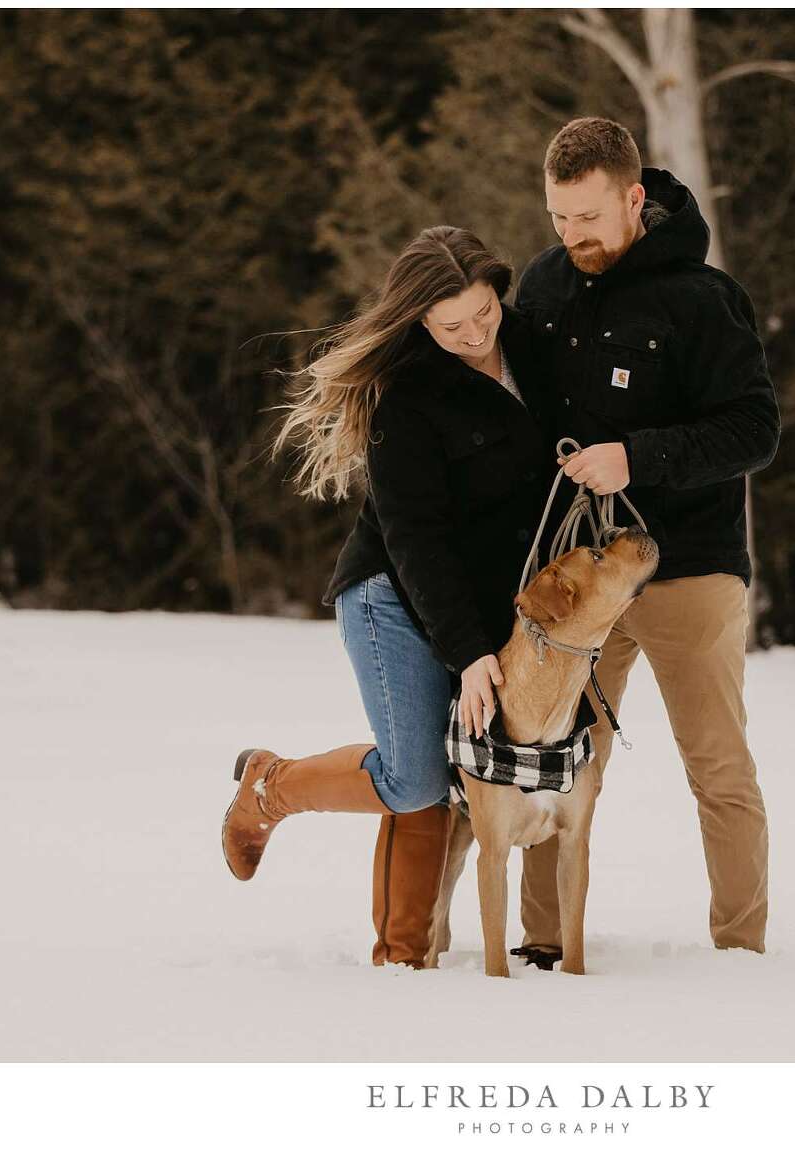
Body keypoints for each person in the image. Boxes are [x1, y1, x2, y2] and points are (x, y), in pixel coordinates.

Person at [220, 226, 557, 967]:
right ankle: (269, 785)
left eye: (483, 313)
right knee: (412, 778)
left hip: (486, 598)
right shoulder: (407, 400)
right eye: (450, 326)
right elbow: (417, 541)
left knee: (446, 772)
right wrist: (469, 652)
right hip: (394, 598)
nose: (473, 335)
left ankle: (403, 957)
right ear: (418, 323)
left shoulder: (533, 347)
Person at [513, 117, 779, 958]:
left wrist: (640, 457)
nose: (571, 236)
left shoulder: (703, 298)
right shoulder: (545, 287)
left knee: (717, 765)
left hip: (688, 569)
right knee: (555, 758)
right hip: (578, 581)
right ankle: (544, 940)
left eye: (587, 218)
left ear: (634, 198)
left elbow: (754, 429)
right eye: (558, 218)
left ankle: (741, 950)